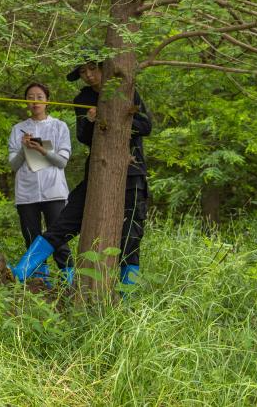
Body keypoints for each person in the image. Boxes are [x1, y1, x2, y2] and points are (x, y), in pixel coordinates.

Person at [8, 58, 152, 289]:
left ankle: (127, 296)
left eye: (92, 68)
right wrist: (91, 120)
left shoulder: (125, 90)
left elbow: (146, 127)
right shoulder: (82, 99)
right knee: (64, 223)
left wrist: (113, 115)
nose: (88, 74)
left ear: (104, 67)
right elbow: (84, 137)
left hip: (132, 173)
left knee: (130, 238)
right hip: (97, 172)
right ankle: (20, 272)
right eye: (82, 71)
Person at [7, 82, 73, 285]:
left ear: (47, 100)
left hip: (54, 192)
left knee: (59, 237)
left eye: (39, 97)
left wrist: (43, 150)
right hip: (27, 193)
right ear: (26, 102)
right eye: (31, 97)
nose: (35, 101)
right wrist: (23, 148)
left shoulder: (59, 126)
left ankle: (69, 280)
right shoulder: (18, 129)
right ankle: (41, 282)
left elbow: (62, 162)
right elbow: (14, 165)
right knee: (31, 236)